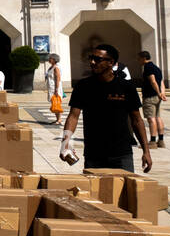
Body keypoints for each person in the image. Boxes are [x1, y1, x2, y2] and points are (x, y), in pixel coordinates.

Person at [61, 43, 152, 173]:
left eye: (98, 59)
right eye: (91, 58)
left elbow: (137, 120)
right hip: (94, 154)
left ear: (111, 62)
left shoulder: (126, 87)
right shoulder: (83, 86)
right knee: (95, 192)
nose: (92, 62)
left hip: (122, 154)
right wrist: (65, 143)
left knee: (124, 191)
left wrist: (146, 151)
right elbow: (73, 116)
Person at [139, 50, 167, 149]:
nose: (139, 61)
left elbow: (153, 81)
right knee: (158, 117)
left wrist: (159, 93)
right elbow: (161, 82)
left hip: (150, 96)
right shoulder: (157, 68)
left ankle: (152, 141)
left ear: (143, 58)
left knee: (151, 119)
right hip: (157, 97)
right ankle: (161, 141)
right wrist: (162, 93)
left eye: (139, 59)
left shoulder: (148, 67)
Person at [46, 54, 64, 126]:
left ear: (54, 59)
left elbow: (57, 79)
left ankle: (59, 119)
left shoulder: (56, 68)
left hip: (55, 88)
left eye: (50, 58)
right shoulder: (51, 67)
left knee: (57, 103)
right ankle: (57, 119)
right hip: (51, 88)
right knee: (54, 103)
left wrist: (56, 89)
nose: (49, 59)